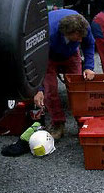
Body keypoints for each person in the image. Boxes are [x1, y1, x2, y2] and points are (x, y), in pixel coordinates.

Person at [34, 9, 95, 139]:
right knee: (50, 90)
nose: (80, 41)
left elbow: (89, 44)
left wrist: (89, 67)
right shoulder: (48, 33)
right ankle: (58, 123)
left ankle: (82, 122)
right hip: (47, 56)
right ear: (66, 33)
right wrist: (39, 89)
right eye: (77, 38)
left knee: (78, 88)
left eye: (81, 37)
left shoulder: (84, 27)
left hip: (71, 54)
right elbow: (37, 59)